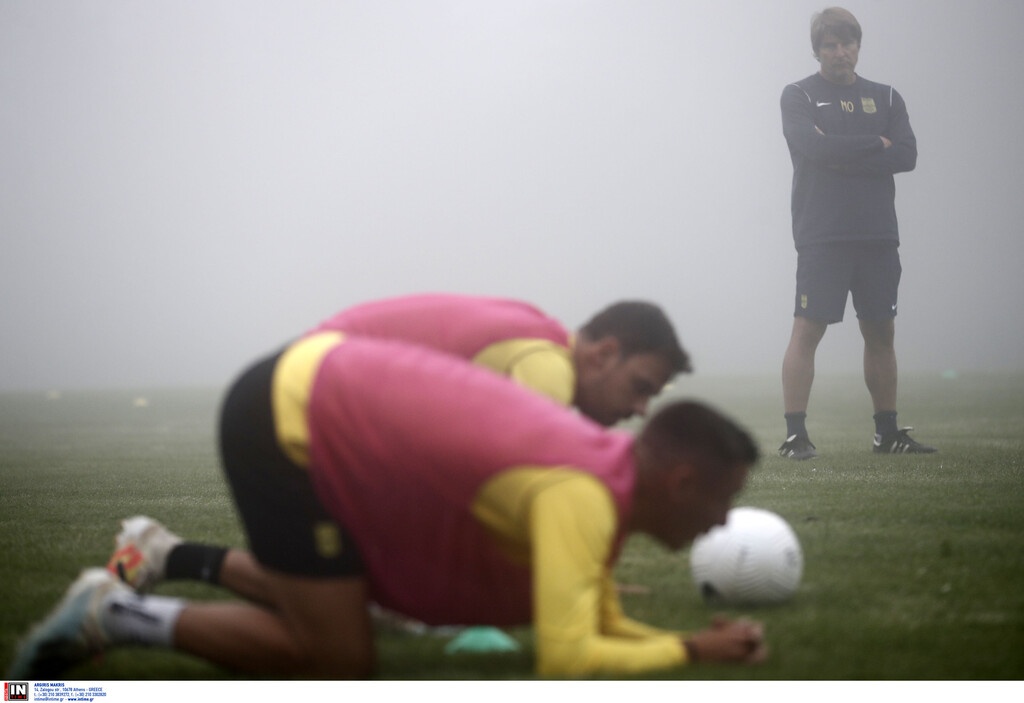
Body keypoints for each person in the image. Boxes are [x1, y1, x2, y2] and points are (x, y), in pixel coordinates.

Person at [9, 333, 765, 679]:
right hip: (289, 417)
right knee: (338, 656)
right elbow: (568, 658)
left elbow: (598, 622)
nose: (724, 522)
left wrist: (682, 641)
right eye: (724, 499)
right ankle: (113, 613)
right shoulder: (583, 495)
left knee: (349, 607)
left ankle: (164, 555)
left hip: (316, 392)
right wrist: (691, 651)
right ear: (681, 480)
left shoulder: (604, 471)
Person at [778, 7, 936, 460]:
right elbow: (813, 147)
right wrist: (873, 145)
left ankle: (886, 434)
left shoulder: (886, 97)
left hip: (877, 233)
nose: (840, 52)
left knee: (881, 331)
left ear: (858, 46)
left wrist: (843, 154)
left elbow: (906, 155)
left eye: (847, 43)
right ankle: (795, 436)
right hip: (822, 234)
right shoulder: (798, 96)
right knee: (808, 330)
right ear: (817, 50)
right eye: (830, 44)